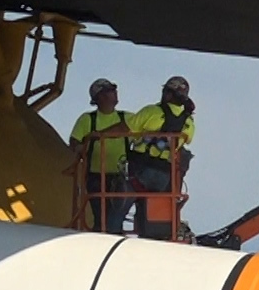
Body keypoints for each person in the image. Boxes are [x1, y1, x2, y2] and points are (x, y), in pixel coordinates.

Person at [124, 76, 196, 240]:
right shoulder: (189, 122)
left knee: (119, 201)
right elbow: (186, 141)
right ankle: (159, 235)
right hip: (165, 176)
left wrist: (101, 135)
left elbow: (127, 129)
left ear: (169, 94)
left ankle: (108, 232)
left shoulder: (152, 112)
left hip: (142, 172)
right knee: (159, 210)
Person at [70, 78, 131, 233]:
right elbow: (74, 142)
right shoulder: (87, 119)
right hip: (96, 177)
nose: (115, 93)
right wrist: (80, 148)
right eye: (111, 90)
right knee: (101, 217)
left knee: (115, 217)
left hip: (120, 176)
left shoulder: (127, 118)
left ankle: (112, 238)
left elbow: (143, 127)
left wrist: (100, 135)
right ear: (100, 97)